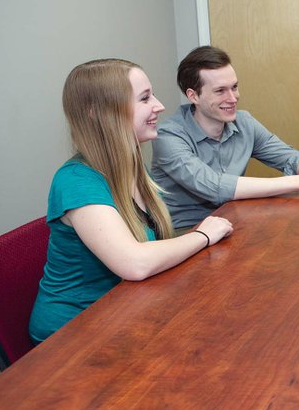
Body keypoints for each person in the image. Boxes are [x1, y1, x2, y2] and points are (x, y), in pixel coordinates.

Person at [30, 59, 233, 343]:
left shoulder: (132, 165)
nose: (159, 106)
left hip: (126, 312)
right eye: (145, 98)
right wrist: (203, 235)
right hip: (69, 338)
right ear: (99, 113)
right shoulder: (75, 180)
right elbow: (135, 263)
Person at [151, 46, 299, 229]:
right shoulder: (168, 136)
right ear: (193, 96)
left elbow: (290, 157)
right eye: (220, 91)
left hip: (233, 219)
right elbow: (215, 187)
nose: (233, 98)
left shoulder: (244, 122)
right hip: (186, 230)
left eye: (234, 87)